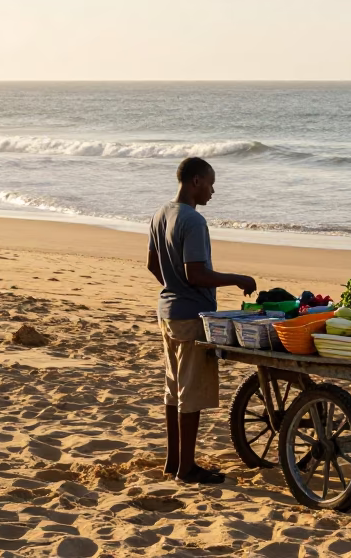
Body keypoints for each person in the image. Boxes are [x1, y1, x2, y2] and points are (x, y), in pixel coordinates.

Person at [147, 157, 257, 484]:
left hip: (167, 312)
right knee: (190, 392)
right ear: (195, 181)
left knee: (174, 388)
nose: (213, 190)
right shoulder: (192, 220)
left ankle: (173, 461)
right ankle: (187, 469)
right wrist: (239, 278)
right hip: (191, 316)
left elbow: (154, 265)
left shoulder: (160, 213)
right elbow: (195, 273)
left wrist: (173, 288)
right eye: (210, 183)